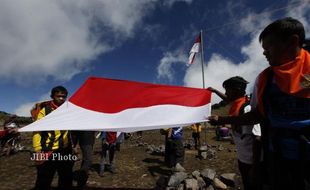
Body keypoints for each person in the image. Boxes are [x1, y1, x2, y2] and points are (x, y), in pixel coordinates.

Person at [208, 17, 310, 190]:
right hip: (277, 158)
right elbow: (258, 115)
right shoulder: (265, 79)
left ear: (293, 42)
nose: (264, 53)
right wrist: (221, 119)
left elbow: (255, 135)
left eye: (269, 46)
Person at [209, 76, 258, 190]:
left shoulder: (247, 108)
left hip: (253, 162)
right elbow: (227, 99)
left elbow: (258, 138)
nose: (226, 93)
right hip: (243, 159)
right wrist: (215, 91)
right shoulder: (236, 103)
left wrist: (256, 167)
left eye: (228, 90)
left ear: (238, 90)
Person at [32, 86, 74, 190]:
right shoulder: (45, 111)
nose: (61, 99)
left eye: (63, 97)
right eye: (58, 96)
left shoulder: (67, 110)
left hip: (65, 150)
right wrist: (37, 150)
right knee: (44, 179)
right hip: (48, 150)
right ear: (52, 96)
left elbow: (71, 130)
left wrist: (74, 146)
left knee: (66, 177)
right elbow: (37, 130)